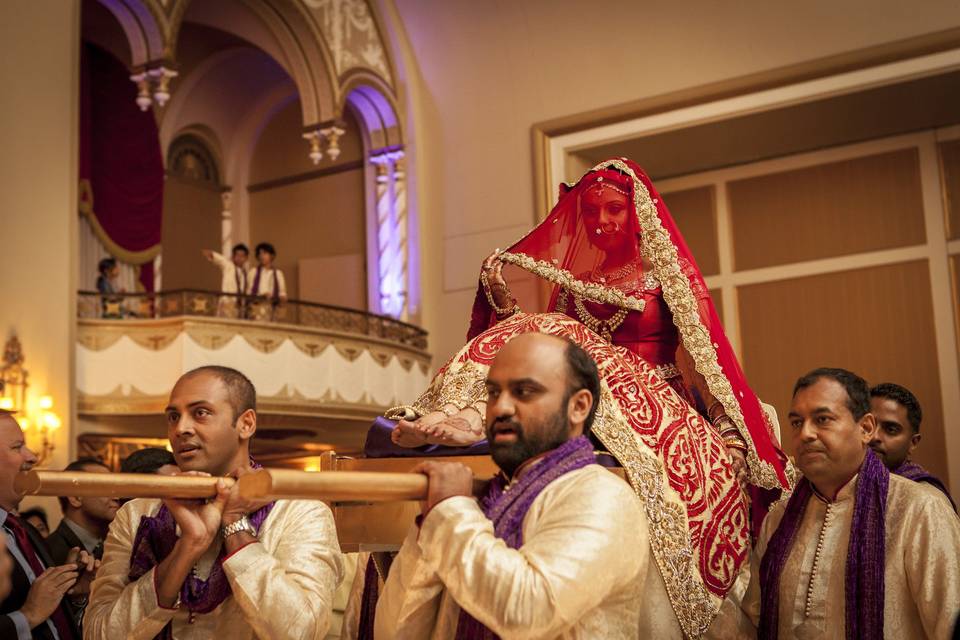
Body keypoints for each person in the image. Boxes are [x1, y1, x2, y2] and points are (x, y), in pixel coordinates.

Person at [377, 158, 791, 636]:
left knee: (547, 328)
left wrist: (727, 432)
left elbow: (703, 362)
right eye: (592, 211)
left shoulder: (666, 279)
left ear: (636, 212)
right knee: (529, 329)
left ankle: (467, 418)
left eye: (614, 210)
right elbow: (554, 358)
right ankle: (465, 413)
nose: (601, 222)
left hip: (650, 397)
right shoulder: (574, 281)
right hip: (589, 398)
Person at [376, 333, 650, 638]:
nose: (500, 408)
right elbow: (393, 630)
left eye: (524, 391)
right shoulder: (481, 502)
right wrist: (431, 519)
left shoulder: (602, 496)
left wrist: (449, 509)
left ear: (578, 406)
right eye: (494, 392)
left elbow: (529, 612)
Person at [85, 366, 343, 639]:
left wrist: (234, 522)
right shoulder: (137, 513)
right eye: (174, 416)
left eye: (201, 413)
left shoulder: (301, 512)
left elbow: (301, 632)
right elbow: (97, 633)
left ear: (246, 424)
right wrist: (189, 545)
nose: (180, 429)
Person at [716, 368, 960, 638]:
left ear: (865, 428)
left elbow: (949, 620)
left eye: (822, 419)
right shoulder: (779, 519)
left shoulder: (919, 509)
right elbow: (752, 619)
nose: (806, 433)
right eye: (797, 422)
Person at [1, 411, 96, 640]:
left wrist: (70, 592)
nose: (33, 457)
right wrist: (27, 616)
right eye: (17, 447)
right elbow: (35, 611)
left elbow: (50, 618)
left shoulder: (22, 529)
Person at [869, 382, 955, 510]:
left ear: (913, 443)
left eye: (891, 429)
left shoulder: (928, 501)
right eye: (868, 426)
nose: (874, 436)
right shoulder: (842, 488)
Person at [45, 459, 118, 565]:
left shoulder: (113, 544)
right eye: (104, 487)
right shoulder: (50, 552)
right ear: (75, 498)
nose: (116, 497)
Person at [202, 244, 249, 318]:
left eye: (242, 256)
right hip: (228, 303)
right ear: (233, 257)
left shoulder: (246, 274)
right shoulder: (228, 266)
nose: (239, 258)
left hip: (240, 307)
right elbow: (221, 260)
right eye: (237, 255)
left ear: (246, 258)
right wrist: (211, 254)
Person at [247, 242, 287, 321]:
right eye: (260, 254)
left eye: (265, 253)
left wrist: (281, 297)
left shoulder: (278, 273)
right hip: (257, 310)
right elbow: (249, 293)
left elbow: (282, 292)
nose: (262, 256)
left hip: (272, 310)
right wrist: (261, 296)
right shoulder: (253, 272)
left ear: (272, 255)